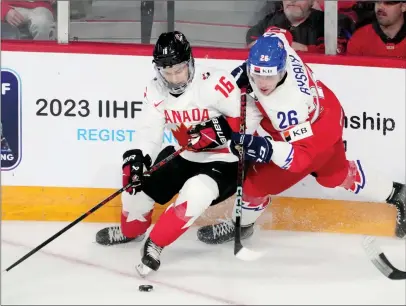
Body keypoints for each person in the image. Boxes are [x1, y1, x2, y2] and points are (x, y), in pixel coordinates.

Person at [197, 28, 406, 245]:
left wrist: (263, 147)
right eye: (256, 73)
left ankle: (241, 226)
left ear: (281, 69)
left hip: (311, 136)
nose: (261, 83)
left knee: (254, 185)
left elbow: (300, 159)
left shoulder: (287, 106)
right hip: (329, 114)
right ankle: (397, 193)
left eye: (269, 76)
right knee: (334, 176)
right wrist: (240, 74)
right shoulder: (276, 44)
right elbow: (280, 32)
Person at [95, 31, 260, 276]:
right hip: (186, 155)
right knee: (134, 184)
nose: (173, 78)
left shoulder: (215, 83)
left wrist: (222, 130)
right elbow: (149, 131)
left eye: (179, 70)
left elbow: (251, 116)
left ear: (190, 62)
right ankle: (132, 231)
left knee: (195, 192)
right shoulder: (155, 90)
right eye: (166, 72)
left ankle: (155, 245)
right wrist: (138, 158)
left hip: (225, 160)